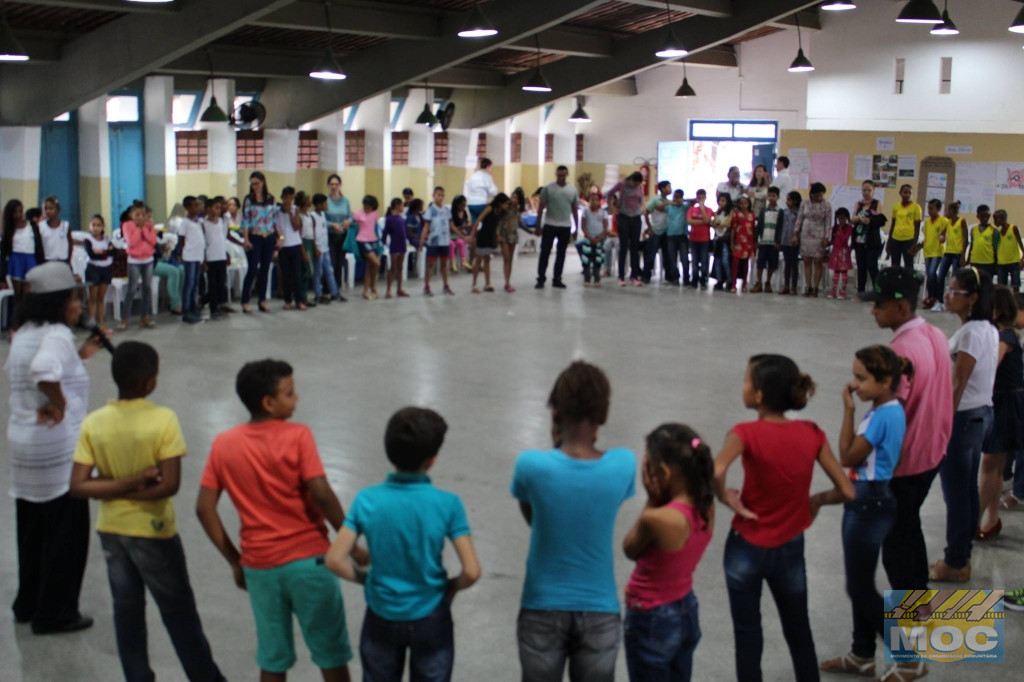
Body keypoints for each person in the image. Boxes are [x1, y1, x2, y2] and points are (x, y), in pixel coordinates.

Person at [196, 359, 362, 682]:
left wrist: (235, 559)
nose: (296, 399)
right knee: (330, 652)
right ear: (268, 403)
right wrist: (349, 543)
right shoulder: (298, 436)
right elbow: (322, 494)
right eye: (290, 393)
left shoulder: (224, 444)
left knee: (273, 657)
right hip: (309, 563)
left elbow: (204, 508)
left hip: (259, 567)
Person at [69, 342, 225, 682]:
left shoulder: (94, 423)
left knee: (127, 613)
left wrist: (113, 486)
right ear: (150, 382)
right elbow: (170, 485)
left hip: (111, 531)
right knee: (179, 612)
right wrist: (137, 481)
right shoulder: (163, 420)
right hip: (154, 532)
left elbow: (80, 486)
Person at [714, 354, 854, 682]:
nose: (743, 387)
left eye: (746, 381)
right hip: (790, 547)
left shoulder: (744, 433)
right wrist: (817, 501)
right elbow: (847, 491)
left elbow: (717, 469)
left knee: (748, 637)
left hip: (745, 547)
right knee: (798, 631)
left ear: (760, 394)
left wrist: (727, 498)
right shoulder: (812, 433)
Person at [326, 407, 481, 682]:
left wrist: (366, 579)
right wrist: (451, 587)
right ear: (432, 460)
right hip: (431, 616)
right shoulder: (448, 504)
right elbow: (471, 571)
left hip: (381, 615)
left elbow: (335, 560)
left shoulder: (367, 500)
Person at [511, 361, 636, 682]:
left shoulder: (530, 466)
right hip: (600, 610)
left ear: (554, 411)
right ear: (603, 417)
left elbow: (535, 518)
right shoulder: (623, 464)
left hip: (541, 606)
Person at [6, 262, 102, 635]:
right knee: (65, 532)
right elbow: (45, 372)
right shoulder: (58, 334)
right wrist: (60, 404)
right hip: (56, 450)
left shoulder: (25, 332)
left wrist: (81, 357)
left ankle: (28, 603)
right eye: (75, 298)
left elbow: (39, 368)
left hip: (24, 445)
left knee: (32, 527)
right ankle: (55, 612)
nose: (80, 305)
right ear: (60, 302)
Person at [819, 346, 911, 678]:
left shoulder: (882, 415)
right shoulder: (890, 408)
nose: (854, 385)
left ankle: (909, 657)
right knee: (860, 581)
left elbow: (846, 456)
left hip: (868, 502)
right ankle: (862, 653)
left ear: (886, 381)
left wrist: (846, 410)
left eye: (862, 378)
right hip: (871, 498)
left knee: (860, 588)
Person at [622, 423, 714, 682]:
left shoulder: (658, 519)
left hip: (652, 617)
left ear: (662, 471)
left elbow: (629, 548)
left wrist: (651, 500)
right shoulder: (706, 507)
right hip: (686, 607)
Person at [931, 267, 997, 583]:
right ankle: (961, 554)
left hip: (963, 419)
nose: (948, 295)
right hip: (981, 414)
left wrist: (942, 422)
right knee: (966, 491)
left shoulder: (971, 333)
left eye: (955, 291)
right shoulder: (988, 328)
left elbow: (959, 381)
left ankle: (955, 561)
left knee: (956, 494)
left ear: (971, 298)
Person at [977, 287, 1024, 540]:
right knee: (994, 466)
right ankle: (991, 518)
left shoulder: (1004, 338)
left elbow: (989, 368)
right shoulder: (1005, 335)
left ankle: (975, 520)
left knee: (990, 465)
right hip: (1006, 402)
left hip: (1005, 404)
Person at [535, 165, 580, 289]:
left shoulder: (572, 190)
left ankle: (557, 279)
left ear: (567, 175)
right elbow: (540, 208)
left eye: (563, 175)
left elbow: (575, 209)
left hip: (565, 226)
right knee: (545, 252)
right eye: (559, 175)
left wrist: (576, 227)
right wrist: (538, 225)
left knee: (561, 254)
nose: (561, 177)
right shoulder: (548, 189)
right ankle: (541, 279)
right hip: (550, 225)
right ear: (556, 174)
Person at [240, 172, 278, 314]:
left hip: (268, 237)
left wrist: (280, 239)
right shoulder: (248, 199)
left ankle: (262, 300)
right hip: (254, 237)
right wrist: (246, 239)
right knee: (252, 269)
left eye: (256, 183)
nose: (254, 186)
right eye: (252, 184)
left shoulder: (271, 199)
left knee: (265, 269)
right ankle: (245, 301)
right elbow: (245, 221)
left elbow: (275, 220)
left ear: (263, 182)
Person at [120, 200, 158, 329]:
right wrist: (139, 228)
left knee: (147, 288)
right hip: (134, 261)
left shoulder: (150, 225)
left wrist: (145, 229)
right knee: (132, 289)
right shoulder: (127, 226)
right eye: (137, 215)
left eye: (143, 214)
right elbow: (131, 242)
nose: (140, 217)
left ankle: (144, 317)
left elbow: (152, 241)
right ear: (131, 215)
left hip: (148, 260)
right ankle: (125, 319)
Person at [1, 199, 45, 305]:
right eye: (15, 212)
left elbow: (39, 246)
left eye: (20, 211)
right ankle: (16, 319)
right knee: (17, 296)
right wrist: (1, 276)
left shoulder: (31, 225)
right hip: (16, 260)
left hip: (30, 259)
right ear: (10, 213)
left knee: (28, 294)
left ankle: (26, 319)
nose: (18, 214)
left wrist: (41, 263)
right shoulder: (9, 229)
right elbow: (4, 252)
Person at [607, 172, 646, 286]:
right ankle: (621, 276)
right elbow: (609, 194)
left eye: (638, 184)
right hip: (623, 217)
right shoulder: (621, 184)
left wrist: (642, 208)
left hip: (636, 217)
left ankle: (634, 276)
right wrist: (612, 207)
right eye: (634, 183)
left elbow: (641, 199)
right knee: (623, 247)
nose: (635, 185)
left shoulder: (639, 186)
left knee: (635, 247)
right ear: (630, 179)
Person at [795, 182, 832, 298]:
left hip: (819, 236)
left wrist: (827, 237)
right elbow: (799, 218)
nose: (819, 198)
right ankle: (808, 286)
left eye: (821, 195)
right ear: (812, 194)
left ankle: (816, 287)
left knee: (817, 262)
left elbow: (828, 222)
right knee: (807, 261)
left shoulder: (827, 205)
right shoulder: (804, 203)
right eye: (817, 195)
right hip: (806, 235)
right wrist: (795, 233)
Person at [852, 180, 887, 298]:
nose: (866, 192)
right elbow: (853, 218)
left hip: (872, 240)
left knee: (872, 266)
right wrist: (858, 219)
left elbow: (880, 220)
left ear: (873, 191)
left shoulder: (877, 203)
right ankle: (861, 293)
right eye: (864, 190)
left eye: (869, 190)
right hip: (859, 240)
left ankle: (878, 294)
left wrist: (870, 221)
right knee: (861, 267)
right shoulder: (858, 204)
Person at [276, 187, 308, 311]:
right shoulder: (277, 212)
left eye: (291, 198)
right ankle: (287, 300)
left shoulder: (295, 210)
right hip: (284, 247)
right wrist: (282, 238)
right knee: (286, 275)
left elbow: (297, 228)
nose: (288, 200)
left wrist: (291, 214)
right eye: (286, 198)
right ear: (282, 198)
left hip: (295, 246)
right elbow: (279, 231)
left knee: (297, 275)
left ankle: (299, 301)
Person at [470, 193, 506, 294]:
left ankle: (487, 283)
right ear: (500, 203)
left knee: (487, 260)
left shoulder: (500, 212)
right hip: (483, 236)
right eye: (505, 203)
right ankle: (474, 284)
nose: (506, 206)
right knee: (478, 260)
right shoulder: (489, 208)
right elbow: (478, 221)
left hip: (491, 237)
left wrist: (497, 234)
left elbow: (497, 225)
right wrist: (472, 235)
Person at [934, 200, 967, 312]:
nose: (946, 212)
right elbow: (942, 233)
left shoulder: (962, 221)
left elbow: (965, 239)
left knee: (955, 279)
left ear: (952, 211)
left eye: (947, 210)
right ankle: (940, 302)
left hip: (957, 254)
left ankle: (954, 303)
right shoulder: (948, 222)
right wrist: (941, 237)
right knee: (940, 276)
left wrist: (963, 255)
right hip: (947, 253)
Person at [178, 195, 206, 324]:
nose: (197, 208)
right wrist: (184, 252)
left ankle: (194, 308)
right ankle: (186, 310)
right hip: (189, 257)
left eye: (198, 205)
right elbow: (181, 240)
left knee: (195, 284)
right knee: (188, 284)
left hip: (197, 256)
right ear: (188, 208)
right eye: (194, 205)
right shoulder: (185, 222)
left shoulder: (198, 221)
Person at [83, 214, 113, 334]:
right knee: (93, 298)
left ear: (103, 227)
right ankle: (92, 324)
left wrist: (102, 252)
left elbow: (113, 252)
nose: (95, 228)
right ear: (89, 226)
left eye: (98, 225)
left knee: (101, 298)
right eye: (93, 225)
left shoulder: (107, 239)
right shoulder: (88, 240)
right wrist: (105, 252)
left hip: (106, 268)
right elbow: (92, 255)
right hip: (93, 269)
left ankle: (101, 322)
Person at [422, 187, 454, 296]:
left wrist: (462, 235)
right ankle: (426, 286)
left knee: (444, 265)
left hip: (444, 242)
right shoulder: (430, 210)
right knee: (430, 264)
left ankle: (446, 285)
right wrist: (421, 242)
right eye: (438, 195)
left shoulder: (446, 210)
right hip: (433, 242)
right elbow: (426, 227)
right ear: (434, 195)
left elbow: (451, 225)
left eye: (442, 195)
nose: (440, 197)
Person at [203, 195, 231, 319]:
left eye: (219, 208)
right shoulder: (204, 224)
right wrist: (203, 260)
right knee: (212, 285)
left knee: (221, 284)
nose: (218, 210)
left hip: (221, 256)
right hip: (210, 258)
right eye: (216, 208)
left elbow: (223, 238)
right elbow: (203, 242)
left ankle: (219, 305)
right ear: (208, 209)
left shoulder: (221, 222)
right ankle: (213, 309)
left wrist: (226, 254)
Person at [312, 193, 343, 304]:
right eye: (325, 203)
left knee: (329, 271)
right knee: (318, 272)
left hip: (325, 248)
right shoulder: (313, 216)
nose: (327, 205)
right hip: (319, 248)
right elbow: (313, 234)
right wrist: (315, 247)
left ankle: (334, 292)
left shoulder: (323, 215)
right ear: (319, 205)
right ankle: (318, 294)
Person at [918, 198, 949, 310]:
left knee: (932, 273)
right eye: (928, 209)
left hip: (937, 252)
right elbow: (926, 237)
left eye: (932, 209)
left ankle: (937, 298)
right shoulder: (926, 222)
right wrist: (919, 246)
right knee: (930, 275)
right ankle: (931, 298)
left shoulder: (944, 221)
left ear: (939, 209)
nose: (929, 211)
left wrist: (943, 238)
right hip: (927, 251)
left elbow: (945, 236)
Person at [752, 187, 783, 294]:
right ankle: (759, 282)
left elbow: (780, 228)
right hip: (763, 242)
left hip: (773, 243)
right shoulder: (763, 211)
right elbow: (759, 226)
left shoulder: (780, 211)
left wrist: (778, 242)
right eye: (770, 195)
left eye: (774, 196)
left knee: (772, 263)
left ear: (778, 197)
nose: (771, 198)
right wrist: (756, 240)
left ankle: (768, 282)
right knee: (760, 262)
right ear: (767, 197)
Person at [326, 174, 352, 292]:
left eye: (336, 184)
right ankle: (330, 288)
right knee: (332, 262)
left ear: (340, 185)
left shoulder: (345, 200)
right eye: (332, 184)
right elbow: (322, 220)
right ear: (328, 185)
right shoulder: (326, 201)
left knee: (340, 263)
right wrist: (332, 224)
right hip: (330, 235)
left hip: (343, 235)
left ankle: (337, 289)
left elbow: (351, 216)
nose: (334, 186)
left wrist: (348, 222)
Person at [642, 180, 672, 284]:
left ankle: (669, 276)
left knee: (667, 255)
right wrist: (649, 227)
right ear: (662, 189)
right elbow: (646, 212)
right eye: (668, 187)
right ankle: (646, 276)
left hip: (666, 231)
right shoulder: (655, 199)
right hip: (655, 231)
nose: (670, 189)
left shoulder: (668, 201)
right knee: (651, 254)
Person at [887, 185, 923, 270]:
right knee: (895, 264)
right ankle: (896, 283)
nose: (907, 195)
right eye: (905, 192)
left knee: (909, 265)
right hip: (895, 239)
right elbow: (893, 225)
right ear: (900, 193)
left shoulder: (916, 207)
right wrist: (889, 242)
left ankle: (909, 283)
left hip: (909, 239)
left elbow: (917, 227)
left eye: (910, 193)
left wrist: (914, 244)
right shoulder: (896, 206)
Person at [497, 187, 525, 292]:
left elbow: (520, 223)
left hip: (513, 236)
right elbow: (498, 221)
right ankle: (507, 283)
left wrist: (531, 232)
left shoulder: (518, 210)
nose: (513, 199)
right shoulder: (505, 208)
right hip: (504, 235)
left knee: (510, 260)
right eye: (513, 196)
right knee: (507, 259)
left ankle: (507, 282)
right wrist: (497, 234)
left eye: (516, 198)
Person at [354, 195, 381, 301]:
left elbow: (375, 226)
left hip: (373, 240)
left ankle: (366, 290)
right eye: (365, 205)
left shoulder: (375, 213)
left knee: (369, 267)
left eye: (368, 206)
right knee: (377, 263)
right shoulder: (358, 214)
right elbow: (353, 224)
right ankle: (372, 286)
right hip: (362, 240)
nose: (366, 208)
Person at [381, 198, 409, 299]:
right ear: (397, 206)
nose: (403, 207)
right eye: (402, 205)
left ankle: (399, 289)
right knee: (392, 267)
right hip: (394, 246)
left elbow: (406, 233)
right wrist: (382, 244)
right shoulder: (389, 219)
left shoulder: (401, 219)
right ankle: (388, 290)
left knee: (400, 268)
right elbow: (385, 233)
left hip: (402, 245)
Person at [580, 192, 609, 288]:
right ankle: (587, 279)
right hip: (588, 238)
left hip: (599, 239)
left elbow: (605, 227)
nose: (594, 202)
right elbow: (583, 226)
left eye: (596, 200)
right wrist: (589, 237)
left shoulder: (603, 212)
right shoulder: (585, 211)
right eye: (592, 200)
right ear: (589, 201)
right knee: (586, 260)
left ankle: (597, 279)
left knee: (598, 260)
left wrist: (600, 238)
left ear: (599, 201)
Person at [686, 189, 713, 289]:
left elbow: (708, 220)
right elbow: (689, 221)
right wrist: (702, 222)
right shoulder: (691, 209)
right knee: (694, 260)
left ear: (705, 198)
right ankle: (695, 279)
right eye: (699, 197)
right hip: (693, 238)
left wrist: (702, 208)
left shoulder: (709, 210)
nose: (701, 199)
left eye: (702, 197)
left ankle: (703, 280)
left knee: (704, 260)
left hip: (704, 239)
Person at [827, 208, 854, 300]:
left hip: (844, 252)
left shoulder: (849, 228)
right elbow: (833, 240)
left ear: (847, 218)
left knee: (844, 273)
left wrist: (841, 230)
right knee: (835, 273)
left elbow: (844, 239)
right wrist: (827, 243)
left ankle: (843, 291)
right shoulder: (835, 228)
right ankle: (834, 290)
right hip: (835, 252)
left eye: (843, 218)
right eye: (839, 219)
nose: (841, 221)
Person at [965, 204, 997, 282]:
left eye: (987, 216)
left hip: (988, 262)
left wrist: (996, 264)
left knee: (986, 284)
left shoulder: (994, 230)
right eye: (982, 216)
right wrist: (968, 260)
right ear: (978, 216)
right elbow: (972, 245)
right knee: (975, 283)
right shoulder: (973, 229)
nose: (985, 219)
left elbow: (996, 248)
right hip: (975, 261)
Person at [665, 189, 690, 286]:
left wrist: (683, 201)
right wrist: (671, 202)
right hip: (671, 235)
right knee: (672, 258)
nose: (676, 198)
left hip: (682, 236)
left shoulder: (685, 206)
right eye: (675, 196)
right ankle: (675, 277)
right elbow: (659, 206)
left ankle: (686, 278)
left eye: (678, 197)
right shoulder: (669, 207)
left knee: (684, 258)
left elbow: (695, 200)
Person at [730, 195, 755, 293]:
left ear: (749, 204)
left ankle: (744, 284)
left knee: (745, 263)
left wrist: (754, 243)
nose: (743, 205)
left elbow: (753, 229)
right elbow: (733, 228)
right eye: (741, 203)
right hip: (738, 241)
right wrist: (732, 242)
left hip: (748, 242)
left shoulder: (752, 215)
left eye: (745, 203)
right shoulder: (736, 214)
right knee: (735, 263)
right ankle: (733, 284)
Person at [994, 209, 1024, 289]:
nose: (994, 221)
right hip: (1001, 263)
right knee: (1001, 287)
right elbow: (996, 248)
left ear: (1003, 218)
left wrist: (1022, 259)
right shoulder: (997, 233)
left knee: (1015, 285)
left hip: (1014, 262)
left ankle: (1017, 301)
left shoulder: (1013, 228)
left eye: (996, 219)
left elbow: (1020, 244)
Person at [779, 191, 802, 296]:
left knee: (794, 265)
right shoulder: (784, 212)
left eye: (789, 199)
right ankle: (786, 286)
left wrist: (797, 237)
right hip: (785, 242)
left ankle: (794, 287)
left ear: (795, 201)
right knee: (787, 264)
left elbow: (800, 228)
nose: (787, 202)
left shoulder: (799, 214)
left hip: (794, 242)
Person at [464, 157, 499, 223]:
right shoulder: (487, 176)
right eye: (491, 168)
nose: (491, 170)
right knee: (487, 223)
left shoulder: (473, 175)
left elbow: (467, 189)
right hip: (482, 204)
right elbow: (493, 191)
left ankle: (474, 233)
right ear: (488, 166)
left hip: (471, 204)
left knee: (474, 224)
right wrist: (498, 197)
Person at [40, 195, 73, 265]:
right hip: (47, 260)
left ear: (58, 209)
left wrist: (69, 260)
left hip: (63, 260)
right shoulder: (41, 226)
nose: (48, 211)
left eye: (51, 208)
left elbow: (70, 244)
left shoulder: (65, 226)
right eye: (45, 209)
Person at [711, 193, 734, 291]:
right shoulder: (717, 212)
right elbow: (714, 223)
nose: (720, 202)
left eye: (723, 200)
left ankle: (730, 280)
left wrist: (719, 224)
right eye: (719, 200)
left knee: (725, 260)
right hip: (717, 238)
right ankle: (719, 280)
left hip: (725, 239)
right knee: (718, 260)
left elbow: (728, 223)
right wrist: (717, 224)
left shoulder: (731, 212)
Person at [449, 194, 470, 273]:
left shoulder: (464, 212)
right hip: (449, 235)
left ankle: (463, 261)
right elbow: (451, 228)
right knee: (451, 244)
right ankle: (452, 263)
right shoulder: (451, 214)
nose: (464, 207)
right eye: (462, 205)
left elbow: (467, 222)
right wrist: (461, 228)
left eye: (465, 205)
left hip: (457, 235)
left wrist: (468, 226)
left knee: (461, 243)